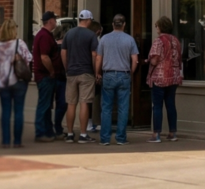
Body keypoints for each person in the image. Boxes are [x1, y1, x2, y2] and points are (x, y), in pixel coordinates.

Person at [96, 15, 139, 145]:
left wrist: (97, 72)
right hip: (123, 74)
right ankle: (120, 138)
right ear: (124, 24)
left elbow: (98, 58)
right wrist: (130, 72)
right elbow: (135, 59)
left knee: (106, 108)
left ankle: (105, 138)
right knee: (123, 108)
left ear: (113, 24)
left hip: (108, 74)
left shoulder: (104, 39)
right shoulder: (130, 39)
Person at [0, 17, 33, 148]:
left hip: (3, 83)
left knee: (5, 112)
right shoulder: (19, 43)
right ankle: (17, 141)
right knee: (19, 111)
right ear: (13, 30)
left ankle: (5, 141)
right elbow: (29, 59)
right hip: (19, 81)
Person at [61, 9, 99, 142]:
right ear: (88, 20)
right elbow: (94, 55)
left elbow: (63, 53)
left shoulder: (69, 34)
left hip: (71, 73)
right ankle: (83, 134)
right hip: (86, 72)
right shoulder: (91, 35)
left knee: (71, 104)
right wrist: (96, 71)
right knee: (84, 103)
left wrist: (67, 68)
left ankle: (70, 134)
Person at [147, 15, 183, 142]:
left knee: (157, 106)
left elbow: (155, 59)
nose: (156, 28)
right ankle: (172, 133)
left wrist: (148, 61)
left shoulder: (159, 40)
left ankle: (156, 134)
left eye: (157, 25)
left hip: (160, 77)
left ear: (161, 26)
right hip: (173, 76)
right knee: (171, 105)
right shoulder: (176, 40)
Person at [32, 11, 64, 142]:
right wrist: (51, 71)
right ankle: (40, 133)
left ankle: (48, 131)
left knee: (47, 105)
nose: (56, 22)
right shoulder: (44, 36)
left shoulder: (44, 35)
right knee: (44, 105)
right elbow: (44, 57)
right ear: (50, 21)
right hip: (45, 76)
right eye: (55, 19)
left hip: (46, 76)